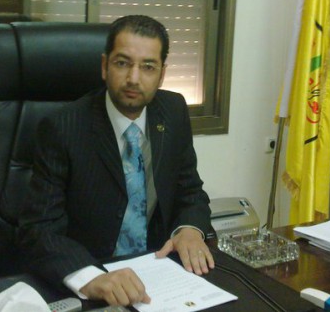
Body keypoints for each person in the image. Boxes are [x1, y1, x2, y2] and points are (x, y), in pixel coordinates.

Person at [18, 15, 214, 306]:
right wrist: (91, 277)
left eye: (148, 67)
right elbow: (38, 229)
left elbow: (190, 191)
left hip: (159, 276)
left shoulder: (173, 111)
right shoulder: (63, 127)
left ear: (162, 74)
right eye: (123, 63)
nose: (134, 78)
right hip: (94, 276)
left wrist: (189, 229)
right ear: (104, 66)